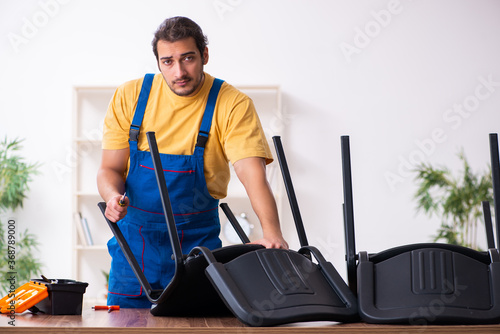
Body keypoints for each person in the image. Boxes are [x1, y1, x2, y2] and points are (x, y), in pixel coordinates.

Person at [96, 16, 288, 308]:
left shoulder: (231, 104)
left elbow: (253, 176)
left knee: (200, 324)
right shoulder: (131, 96)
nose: (179, 71)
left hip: (197, 251)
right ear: (158, 62)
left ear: (205, 55)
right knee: (126, 326)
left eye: (188, 58)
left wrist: (272, 233)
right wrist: (112, 197)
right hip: (134, 253)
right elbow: (109, 169)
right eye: (168, 62)